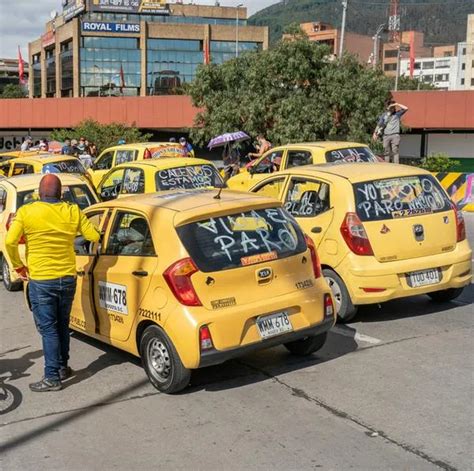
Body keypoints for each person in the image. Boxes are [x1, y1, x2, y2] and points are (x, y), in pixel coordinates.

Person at [5, 174, 100, 392]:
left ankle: (51, 377)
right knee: (62, 324)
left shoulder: (27, 212)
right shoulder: (72, 211)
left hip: (42, 280)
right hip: (67, 278)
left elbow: (10, 241)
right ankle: (63, 367)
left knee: (48, 329)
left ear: (39, 193)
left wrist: (19, 266)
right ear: (61, 193)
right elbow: (93, 235)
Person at [373, 100, 408, 164]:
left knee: (395, 152)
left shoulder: (397, 114)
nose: (393, 108)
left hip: (395, 136)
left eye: (394, 107)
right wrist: (375, 133)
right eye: (391, 107)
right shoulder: (384, 115)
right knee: (386, 152)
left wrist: (397, 104)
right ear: (388, 107)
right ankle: (387, 166)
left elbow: (406, 108)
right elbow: (379, 124)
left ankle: (396, 166)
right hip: (386, 136)